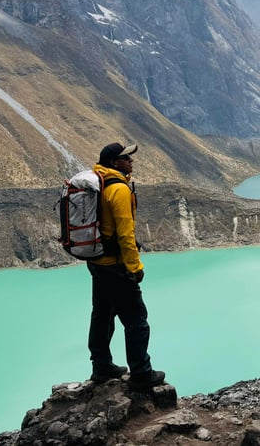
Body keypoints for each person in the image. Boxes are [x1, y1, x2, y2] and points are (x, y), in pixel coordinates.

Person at [87, 141, 166, 390]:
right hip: (116, 265)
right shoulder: (118, 189)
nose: (131, 162)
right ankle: (141, 372)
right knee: (136, 320)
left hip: (97, 262)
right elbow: (125, 234)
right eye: (126, 158)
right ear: (114, 162)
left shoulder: (97, 182)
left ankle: (101, 366)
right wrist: (135, 267)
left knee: (102, 314)